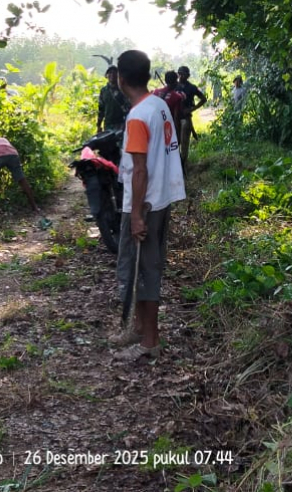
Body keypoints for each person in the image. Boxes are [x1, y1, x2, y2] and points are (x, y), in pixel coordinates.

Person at [112, 50, 186, 362]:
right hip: (160, 198)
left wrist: (138, 215)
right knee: (145, 266)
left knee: (143, 269)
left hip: (145, 203)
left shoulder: (138, 116)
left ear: (121, 78)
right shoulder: (158, 104)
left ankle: (149, 342)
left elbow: (140, 169)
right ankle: (139, 328)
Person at [175, 66, 207, 166]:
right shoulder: (174, 86)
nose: (182, 76)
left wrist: (192, 109)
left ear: (188, 76)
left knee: (184, 143)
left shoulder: (192, 87)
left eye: (184, 74)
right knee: (175, 143)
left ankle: (183, 163)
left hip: (186, 117)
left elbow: (203, 99)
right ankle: (175, 163)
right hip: (174, 118)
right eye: (180, 74)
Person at [97, 65, 129, 133]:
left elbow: (128, 108)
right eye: (110, 73)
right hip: (108, 125)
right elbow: (101, 109)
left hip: (121, 125)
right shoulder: (104, 91)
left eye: (114, 72)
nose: (112, 75)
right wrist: (99, 125)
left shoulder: (123, 89)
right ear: (107, 75)